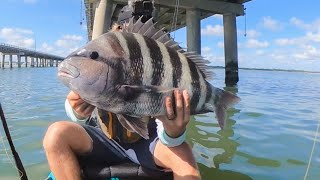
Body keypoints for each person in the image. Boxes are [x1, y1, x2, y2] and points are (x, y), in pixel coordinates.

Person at [43, 89, 201, 180]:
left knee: (185, 161)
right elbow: (75, 103)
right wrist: (76, 109)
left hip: (148, 140)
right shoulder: (98, 66)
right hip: (103, 137)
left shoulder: (149, 68)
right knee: (56, 134)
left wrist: (173, 132)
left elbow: (169, 132)